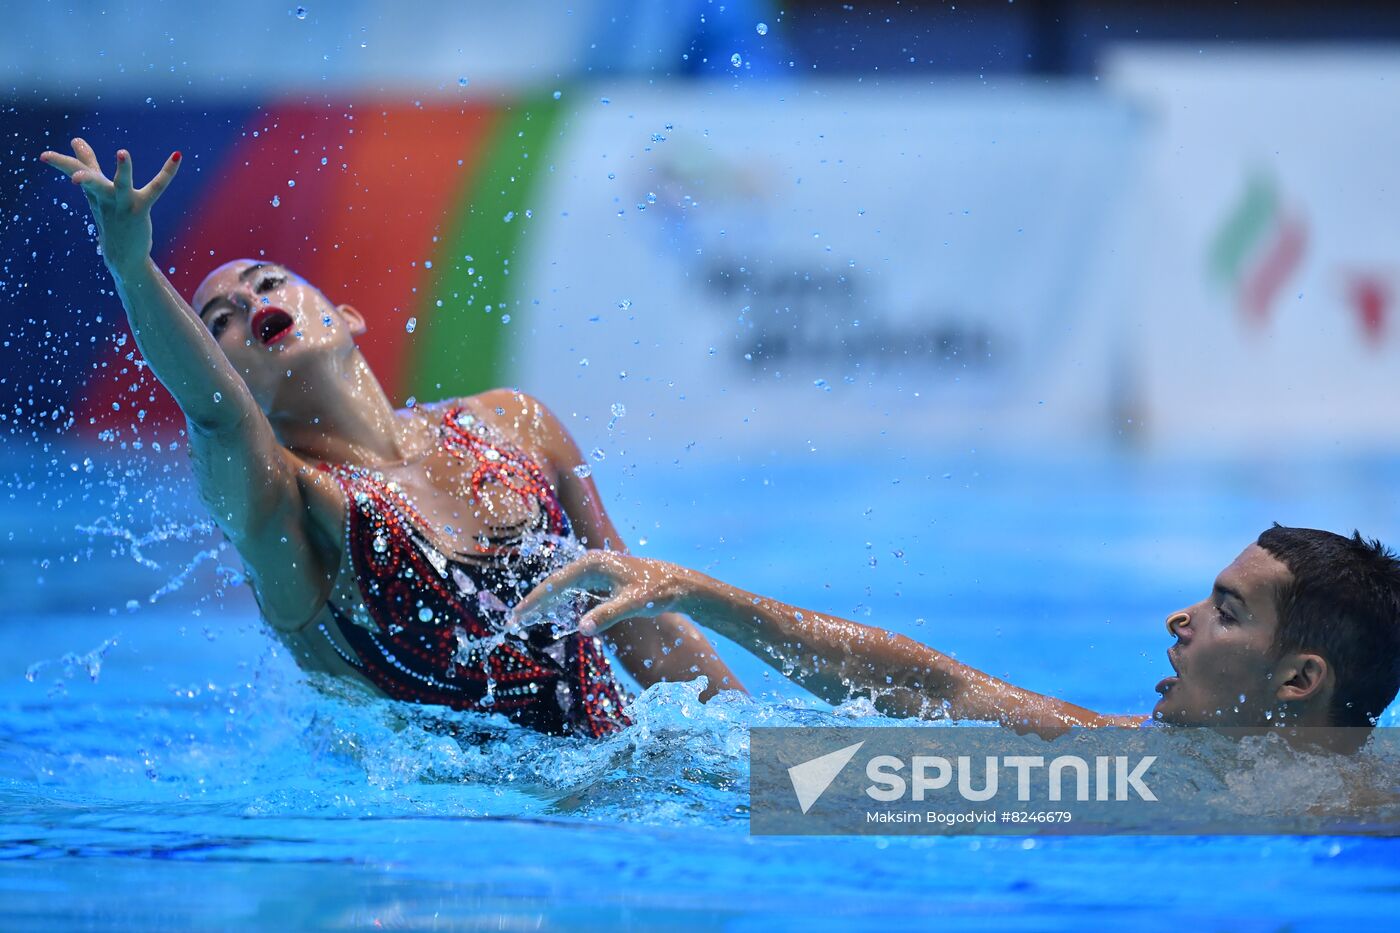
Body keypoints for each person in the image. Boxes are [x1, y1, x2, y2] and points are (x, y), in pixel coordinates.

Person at [39, 138, 742, 738]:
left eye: (268, 281)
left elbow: (635, 615)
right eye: (220, 320)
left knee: (843, 794)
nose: (253, 303)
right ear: (225, 372)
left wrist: (745, 746)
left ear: (347, 315)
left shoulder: (513, 422)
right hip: (489, 830)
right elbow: (215, 414)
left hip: (634, 783)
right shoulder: (289, 507)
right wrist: (132, 267)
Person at [512, 526, 1400, 744]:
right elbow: (937, 690)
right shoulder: (1151, 759)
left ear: (1298, 680)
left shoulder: (1363, 810)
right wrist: (699, 593)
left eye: (1225, 610)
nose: (1182, 618)